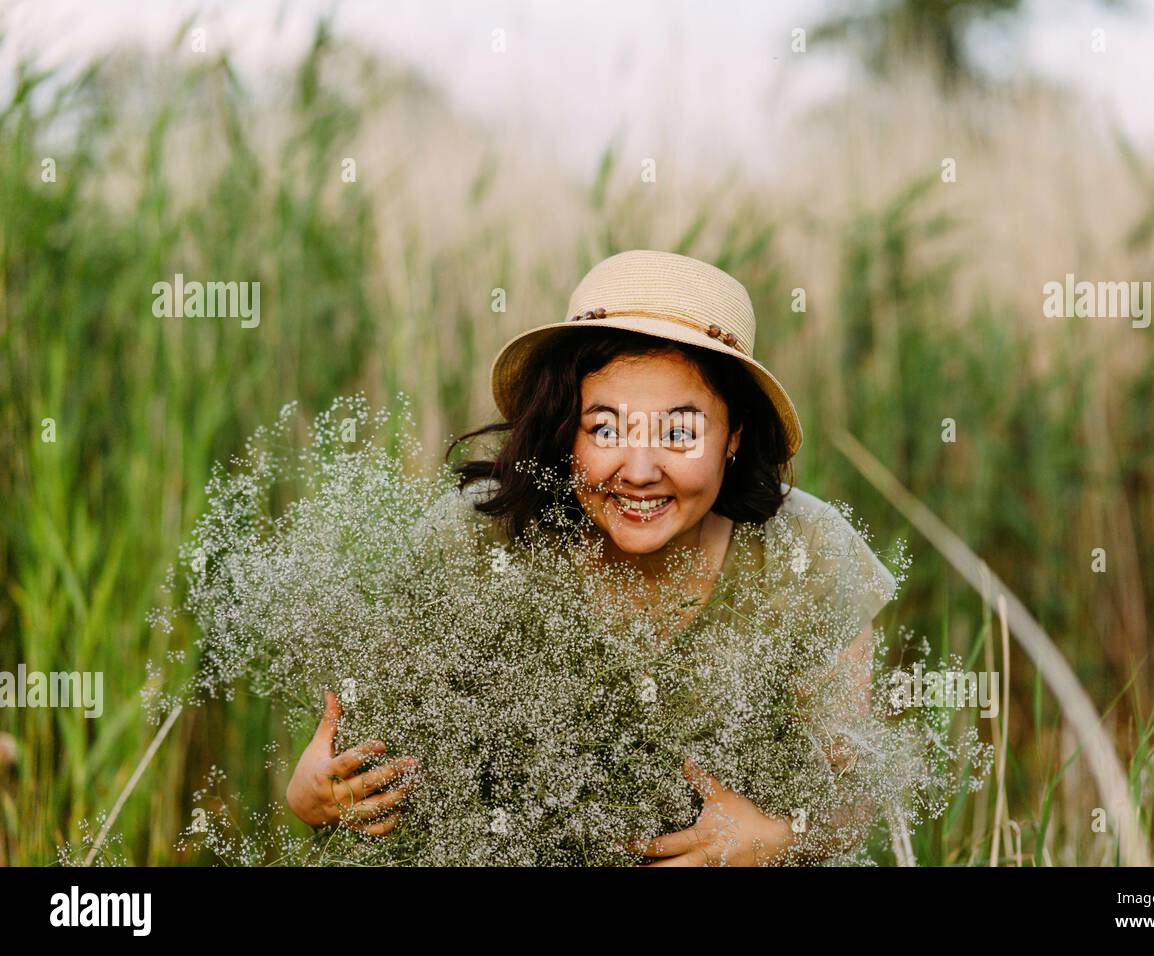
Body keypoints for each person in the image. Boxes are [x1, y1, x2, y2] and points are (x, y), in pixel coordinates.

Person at [285, 249, 897, 863]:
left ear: (734, 434)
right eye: (605, 428)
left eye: (680, 432)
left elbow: (849, 805)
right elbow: (351, 765)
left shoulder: (808, 552)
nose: (638, 471)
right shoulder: (474, 539)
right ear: (566, 426)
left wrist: (775, 841)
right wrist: (314, 794)